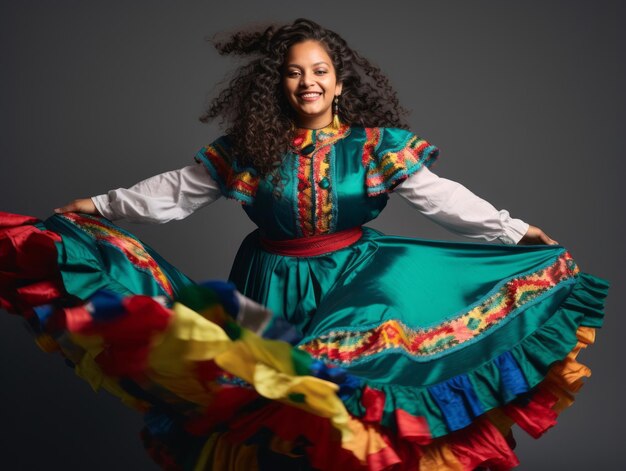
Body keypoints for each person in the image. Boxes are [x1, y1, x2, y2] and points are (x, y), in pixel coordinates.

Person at [0, 18, 608, 471]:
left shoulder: (375, 146)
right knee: (277, 417)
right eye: (295, 71)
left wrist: (513, 230)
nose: (308, 82)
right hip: (269, 283)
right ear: (279, 84)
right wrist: (101, 207)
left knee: (350, 409)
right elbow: (174, 194)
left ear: (340, 84)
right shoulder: (249, 149)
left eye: (320, 71)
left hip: (356, 284)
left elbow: (443, 199)